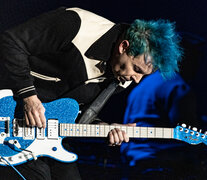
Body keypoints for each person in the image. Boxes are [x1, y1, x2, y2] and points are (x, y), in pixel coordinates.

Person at [0, 7, 182, 180]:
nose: (136, 80)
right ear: (123, 47)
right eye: (136, 69)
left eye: (143, 74)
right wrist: (29, 97)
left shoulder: (121, 79)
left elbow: (76, 113)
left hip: (45, 136)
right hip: (8, 113)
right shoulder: (75, 25)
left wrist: (105, 128)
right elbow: (9, 43)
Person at [120, 70, 206, 179]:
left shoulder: (142, 86)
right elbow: (190, 136)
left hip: (134, 165)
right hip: (162, 166)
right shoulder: (176, 86)